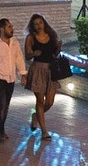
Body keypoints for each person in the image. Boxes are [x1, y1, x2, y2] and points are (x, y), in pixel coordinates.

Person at [23, 13, 62, 141]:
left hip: (51, 70)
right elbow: (27, 55)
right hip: (38, 69)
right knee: (40, 101)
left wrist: (58, 48)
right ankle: (44, 131)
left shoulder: (51, 35)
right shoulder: (31, 38)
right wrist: (34, 53)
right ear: (32, 26)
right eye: (35, 24)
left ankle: (36, 116)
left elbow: (55, 54)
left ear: (44, 23)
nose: (38, 25)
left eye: (40, 22)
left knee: (49, 102)